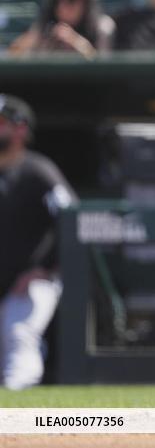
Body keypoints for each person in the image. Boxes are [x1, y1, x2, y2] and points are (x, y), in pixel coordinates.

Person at [0, 94, 76, 389]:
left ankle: (17, 410)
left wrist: (47, 268)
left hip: (29, 281)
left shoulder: (38, 172)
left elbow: (73, 221)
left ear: (20, 130)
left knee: (18, 332)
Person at [8, 0, 115, 57]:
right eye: (58, 2)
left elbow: (102, 66)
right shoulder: (46, 26)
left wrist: (76, 42)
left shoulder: (102, 26)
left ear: (84, 4)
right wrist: (34, 42)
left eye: (71, 1)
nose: (62, 8)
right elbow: (13, 54)